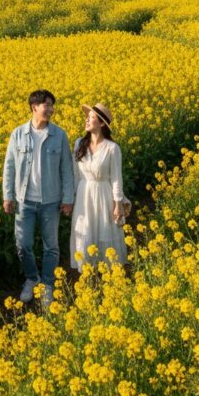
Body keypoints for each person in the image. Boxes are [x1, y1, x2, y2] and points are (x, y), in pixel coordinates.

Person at [3, 89, 74, 304]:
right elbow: (9, 167)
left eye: (52, 105)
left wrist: (68, 198)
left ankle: (48, 284)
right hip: (24, 200)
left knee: (51, 246)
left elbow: (67, 169)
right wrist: (7, 196)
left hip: (50, 201)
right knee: (22, 245)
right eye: (47, 105)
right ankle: (32, 278)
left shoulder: (59, 135)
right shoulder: (17, 134)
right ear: (34, 107)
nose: (51, 109)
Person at [70, 102, 129, 270]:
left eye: (91, 118)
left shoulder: (112, 148)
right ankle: (87, 269)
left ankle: (107, 270)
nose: (87, 121)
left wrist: (118, 205)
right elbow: (75, 175)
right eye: (87, 117)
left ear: (102, 123)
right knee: (85, 228)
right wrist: (72, 198)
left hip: (104, 193)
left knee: (105, 228)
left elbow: (117, 179)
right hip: (83, 193)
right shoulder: (79, 143)